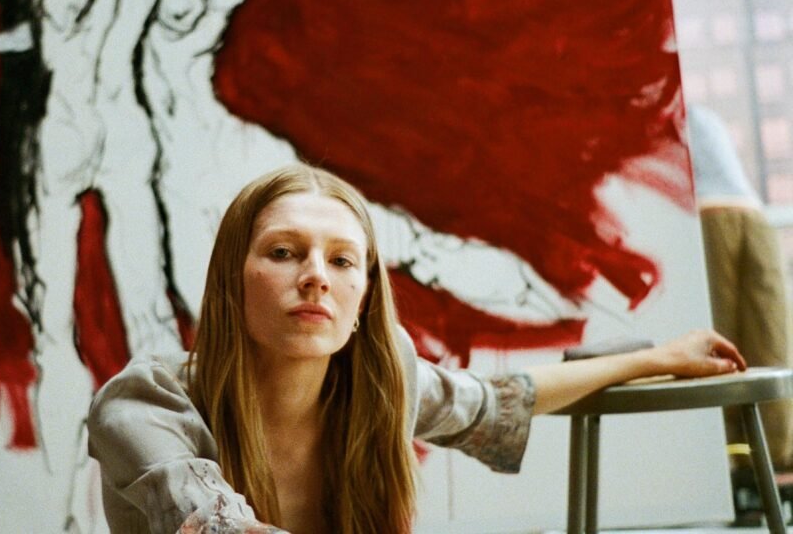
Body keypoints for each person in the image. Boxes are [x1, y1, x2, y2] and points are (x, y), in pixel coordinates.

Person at [87, 164, 746, 533]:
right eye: (284, 252)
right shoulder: (146, 402)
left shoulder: (380, 382)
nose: (316, 276)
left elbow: (492, 403)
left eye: (342, 260)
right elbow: (209, 522)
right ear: (232, 282)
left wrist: (654, 359)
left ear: (363, 301)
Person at [688, 103, 793, 472]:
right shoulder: (701, 115)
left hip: (722, 216)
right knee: (764, 341)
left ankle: (758, 459)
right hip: (745, 215)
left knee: (733, 344)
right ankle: (763, 457)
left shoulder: (687, 113)